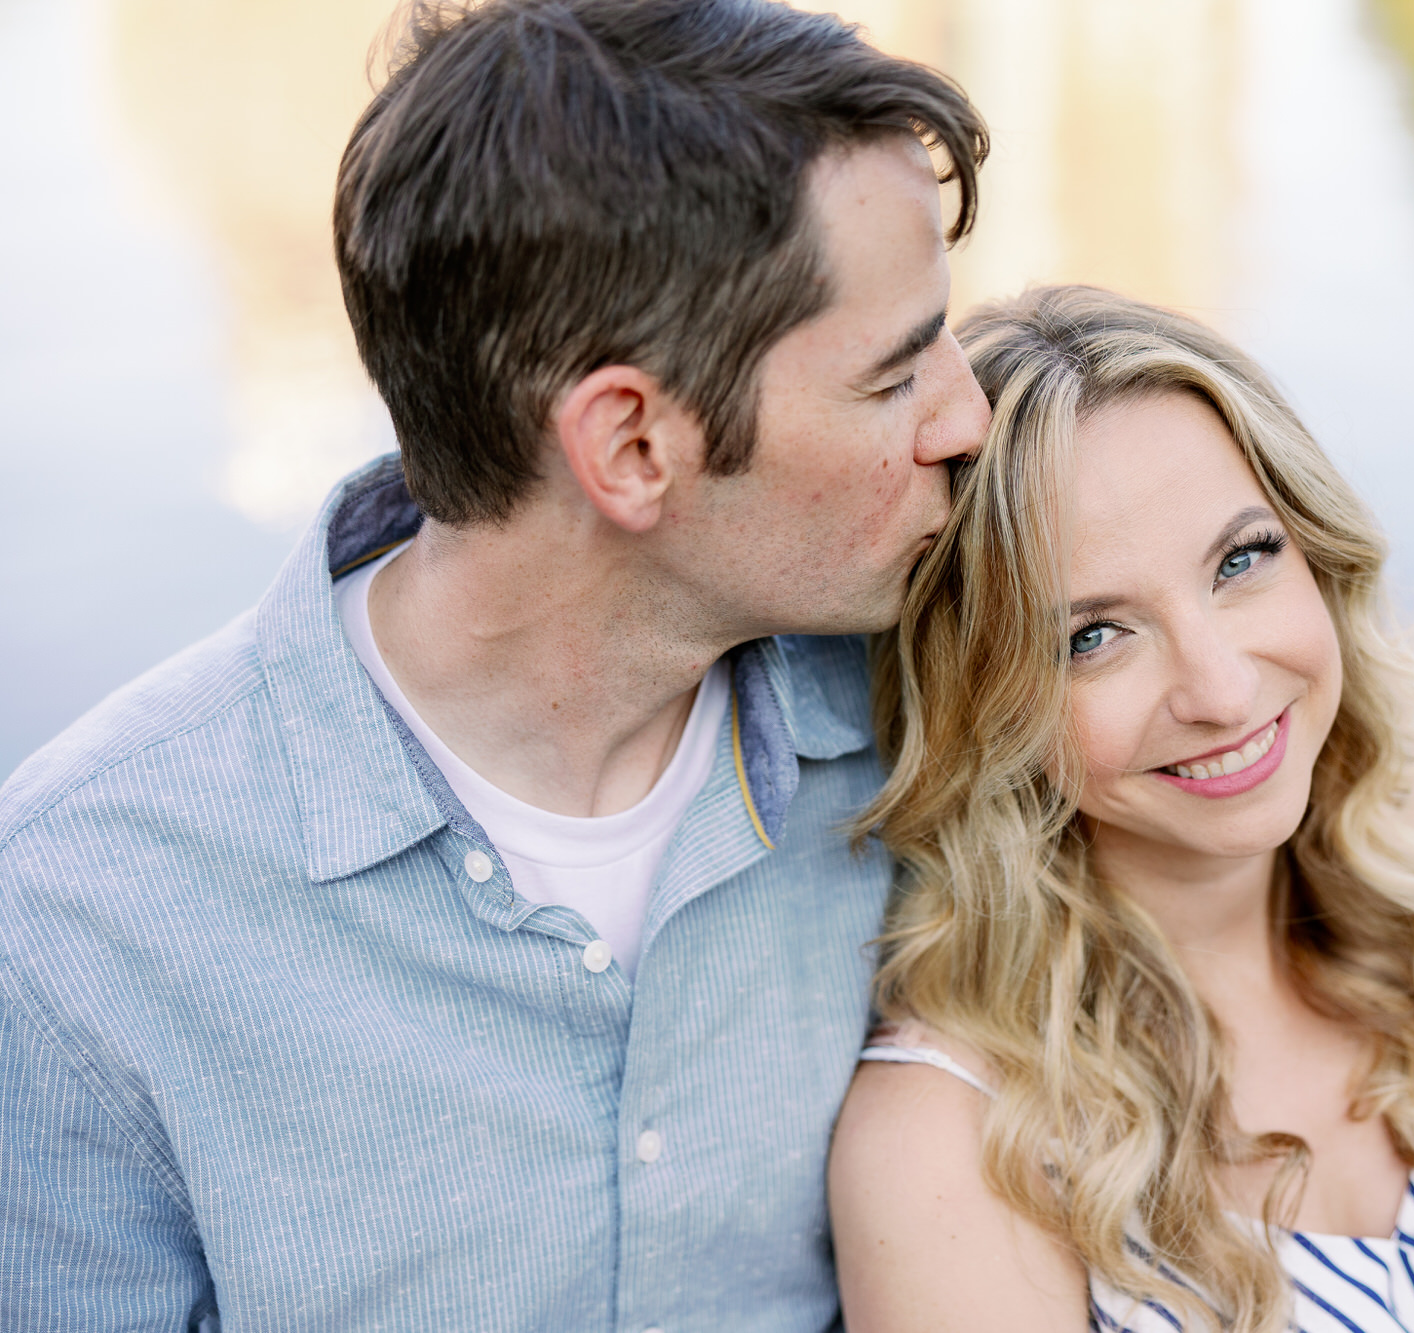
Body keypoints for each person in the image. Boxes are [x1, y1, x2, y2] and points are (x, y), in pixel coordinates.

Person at [0, 2, 988, 1328]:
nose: (968, 415)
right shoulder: (76, 922)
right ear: (630, 447)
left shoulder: (939, 715)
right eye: (894, 375)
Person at [827, 286, 1414, 1333]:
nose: (1219, 690)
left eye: (1241, 560)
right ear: (982, 703)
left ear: (1316, 549)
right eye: (1091, 637)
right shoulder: (949, 1146)